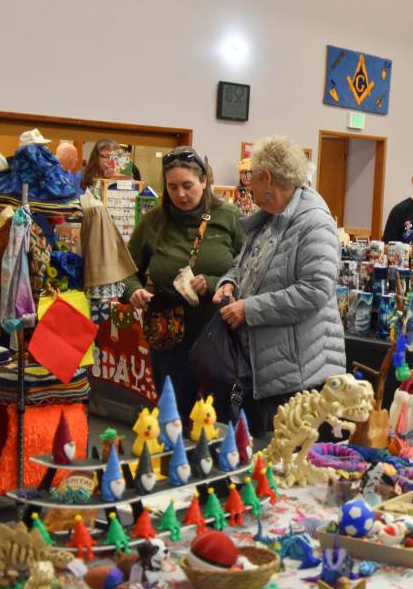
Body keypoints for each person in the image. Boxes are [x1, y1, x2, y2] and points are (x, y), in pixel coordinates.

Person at [213, 136, 346, 432]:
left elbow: (314, 291)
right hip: (268, 369)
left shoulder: (314, 223)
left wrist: (249, 308)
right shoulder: (271, 218)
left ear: (268, 178)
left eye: (252, 178)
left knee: (288, 467)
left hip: (298, 377)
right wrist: (230, 282)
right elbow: (246, 264)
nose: (248, 186)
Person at [123, 147, 244, 420]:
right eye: (172, 187)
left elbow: (248, 270)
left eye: (188, 185)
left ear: (204, 182)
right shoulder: (153, 221)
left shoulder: (229, 217)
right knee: (173, 417)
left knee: (219, 417)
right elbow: (127, 271)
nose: (180, 194)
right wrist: (134, 290)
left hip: (217, 337)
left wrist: (215, 283)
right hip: (168, 338)